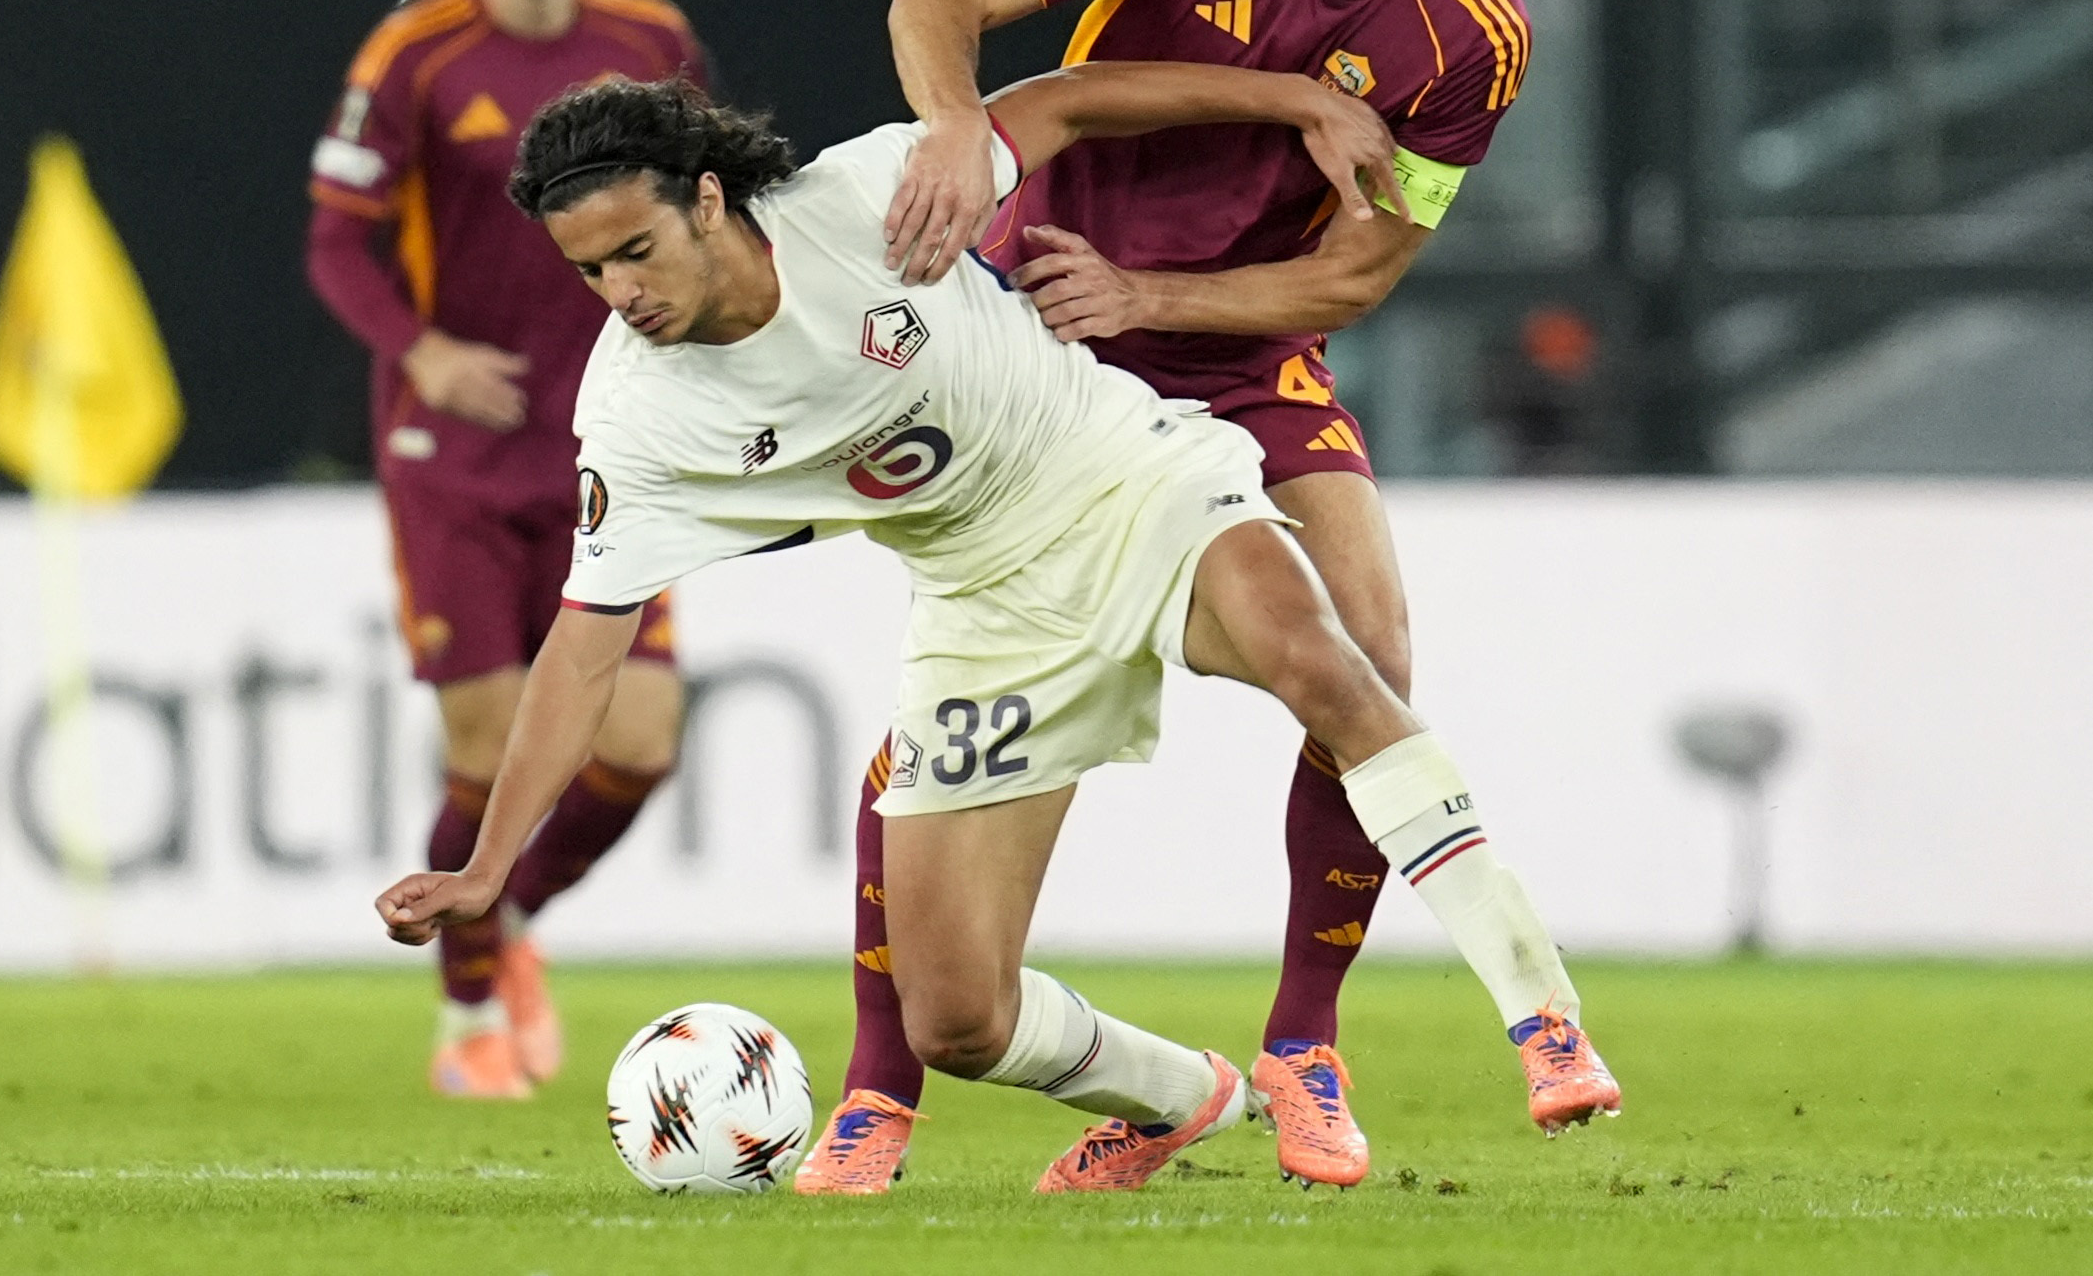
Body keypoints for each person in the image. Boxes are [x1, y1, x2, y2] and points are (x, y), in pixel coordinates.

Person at [374, 67, 1619, 1196]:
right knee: (956, 1020)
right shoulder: (640, 422)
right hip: (986, 604)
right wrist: (489, 866)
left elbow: (1066, 101)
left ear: (708, 199)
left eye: (635, 250)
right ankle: (1186, 1099)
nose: (621, 294)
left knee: (1325, 664)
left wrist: (1287, 102)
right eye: (590, 271)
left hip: (1124, 477)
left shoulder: (864, 193)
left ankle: (1541, 1014)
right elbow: (583, 645)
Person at [807, 0, 1547, 1192]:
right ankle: (882, 1086)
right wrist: (960, 126)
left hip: (1226, 335)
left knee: (1370, 656)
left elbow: (1365, 265)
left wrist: (1162, 295)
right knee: (963, 696)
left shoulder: (1474, 35)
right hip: (1048, 331)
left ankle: (1301, 1044)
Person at [306, 0, 710, 1099]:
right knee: (485, 752)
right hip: (458, 452)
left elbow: (708, 209)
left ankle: (506, 912)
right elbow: (334, 238)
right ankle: (469, 1007)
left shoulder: (650, 42)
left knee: (640, 738)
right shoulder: (417, 52)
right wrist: (419, 349)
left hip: (615, 442)